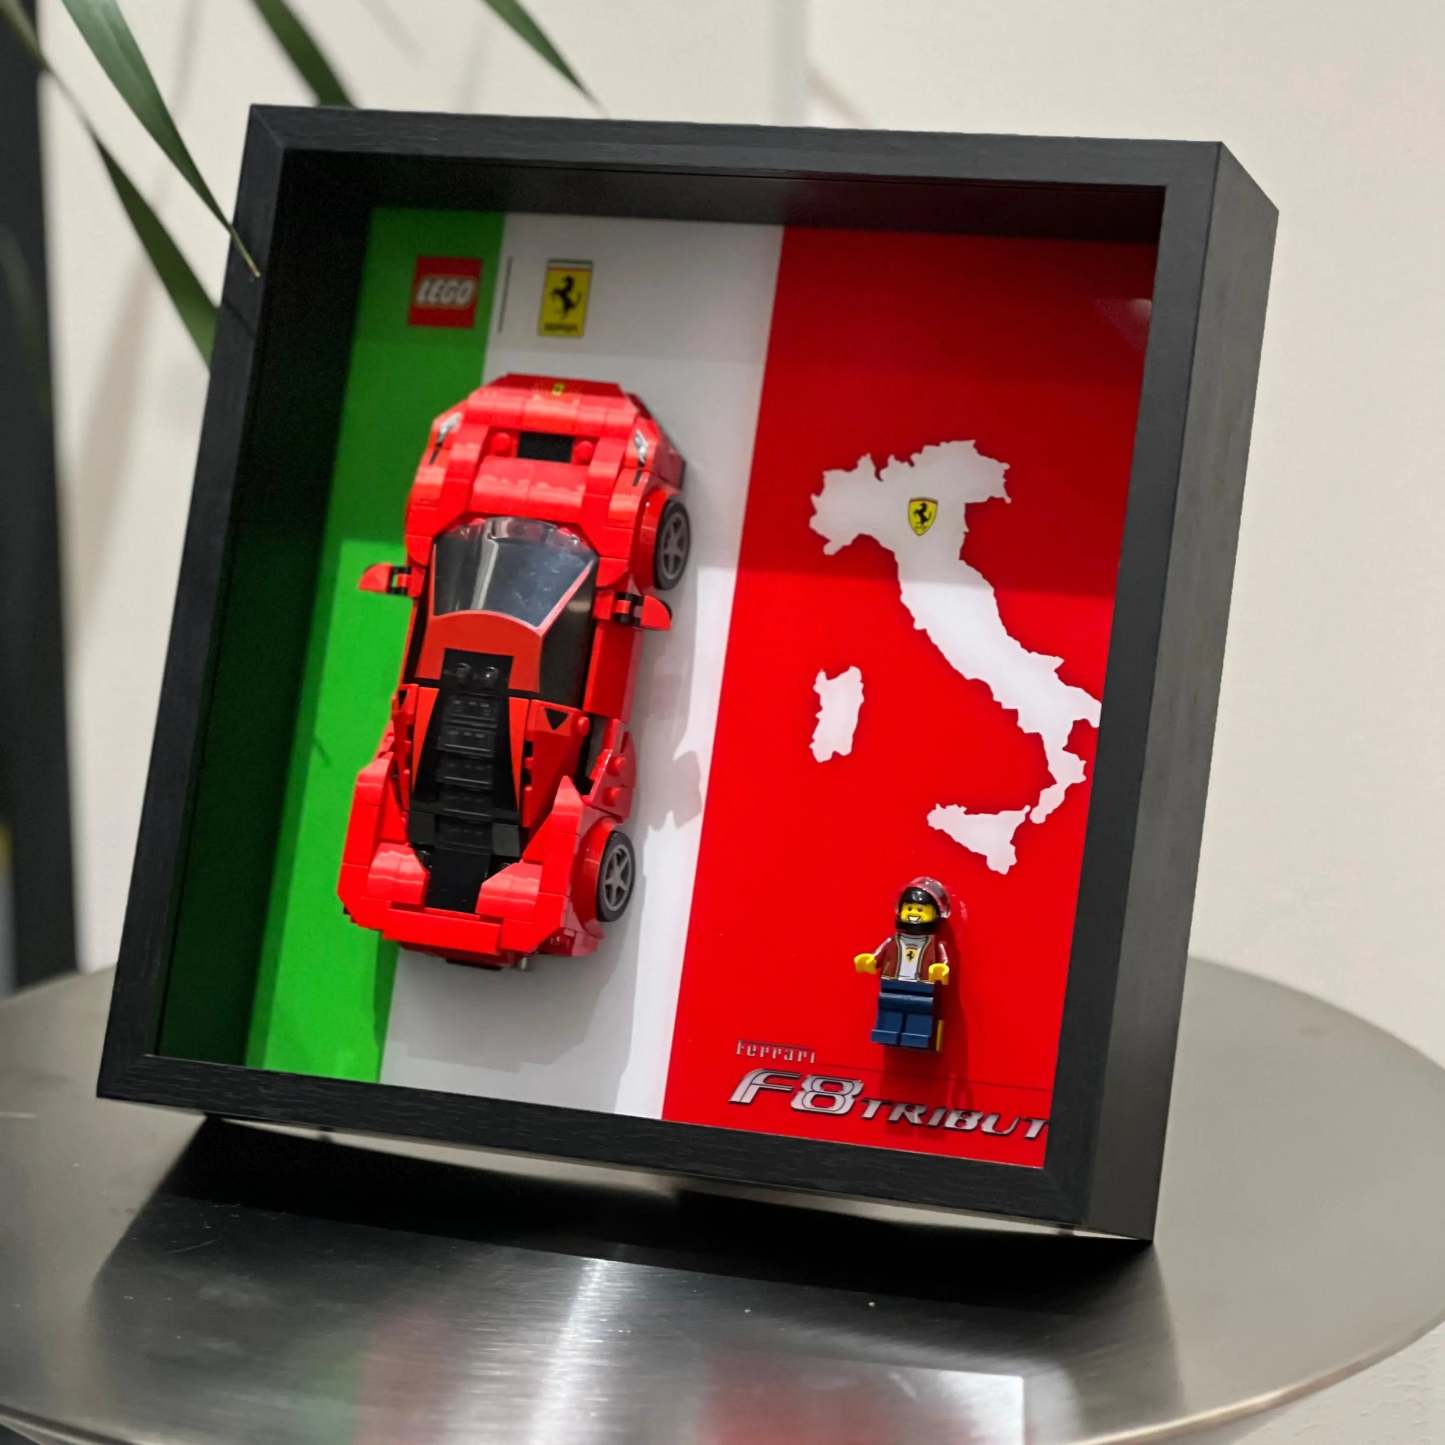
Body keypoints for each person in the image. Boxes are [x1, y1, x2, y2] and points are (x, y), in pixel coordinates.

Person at [854, 876, 955, 1050]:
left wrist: (941, 969)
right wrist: (870, 961)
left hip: (922, 987)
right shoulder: (893, 941)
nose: (914, 913)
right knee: (889, 1009)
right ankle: (886, 1034)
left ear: (935, 914)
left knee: (920, 1011)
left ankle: (918, 1039)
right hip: (892, 983)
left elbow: (944, 961)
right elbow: (879, 956)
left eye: (920, 909)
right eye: (909, 908)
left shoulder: (934, 944)